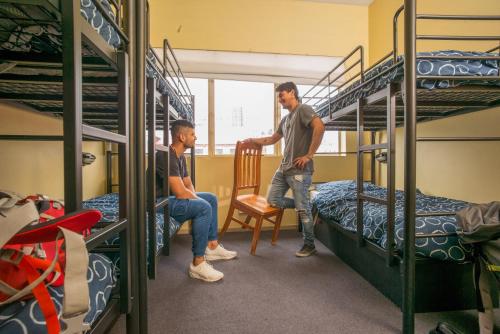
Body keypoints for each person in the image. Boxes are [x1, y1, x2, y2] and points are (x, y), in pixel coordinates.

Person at [245, 82, 325, 257]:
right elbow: (272, 139)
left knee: (302, 210)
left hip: (300, 171)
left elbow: (320, 126)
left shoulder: (303, 109)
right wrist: (253, 140)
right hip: (283, 169)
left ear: (292, 92)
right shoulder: (285, 119)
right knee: (273, 199)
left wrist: (309, 155)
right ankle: (305, 205)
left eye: (282, 95)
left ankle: (309, 245)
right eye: (278, 97)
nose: (279, 100)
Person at [157, 119, 237, 282]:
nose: (196, 137)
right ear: (181, 136)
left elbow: (187, 184)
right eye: (192, 134)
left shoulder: (180, 157)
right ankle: (197, 264)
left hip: (169, 199)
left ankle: (212, 246)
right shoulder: (165, 155)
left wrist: (197, 200)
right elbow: (180, 193)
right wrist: (199, 204)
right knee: (204, 207)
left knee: (211, 199)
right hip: (158, 203)